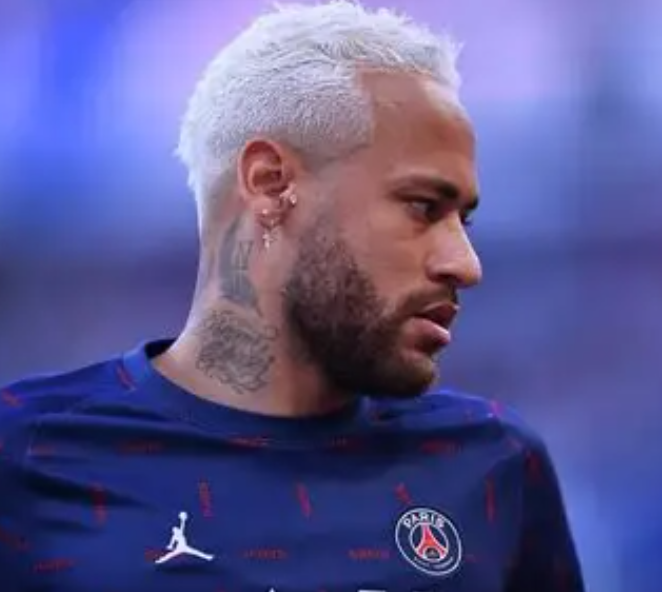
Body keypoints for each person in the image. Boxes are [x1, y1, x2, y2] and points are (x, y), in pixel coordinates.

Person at [0, 2, 585, 591]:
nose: (465, 264)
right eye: (422, 207)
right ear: (270, 184)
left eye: (464, 221)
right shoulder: (26, 453)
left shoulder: (493, 467)